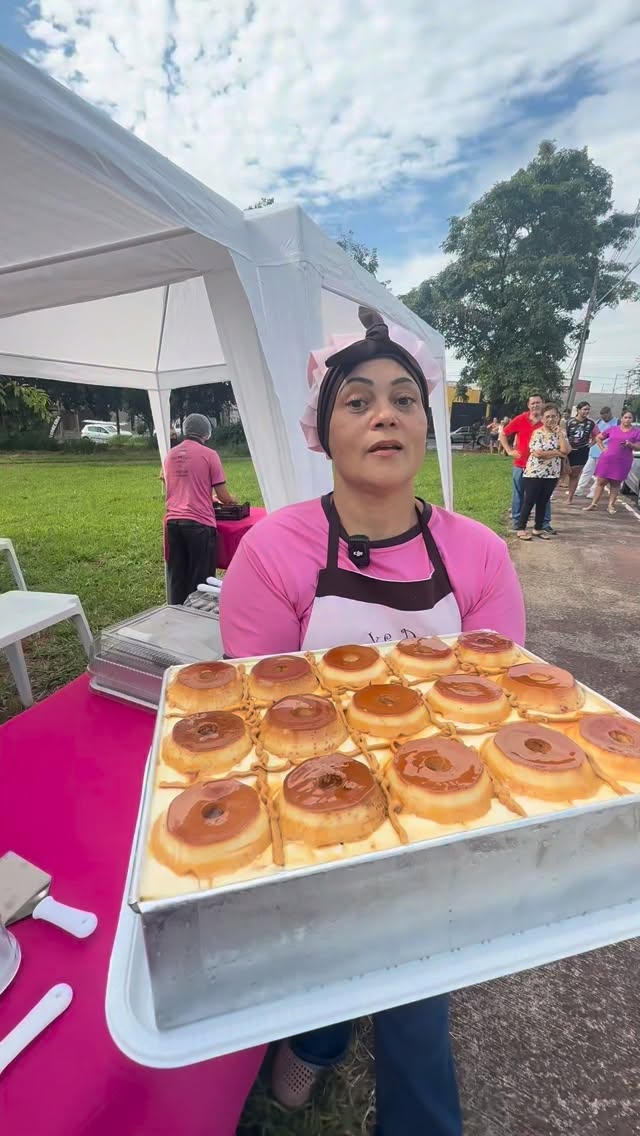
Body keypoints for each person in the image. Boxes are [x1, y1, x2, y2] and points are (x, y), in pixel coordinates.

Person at [220, 308, 525, 1136]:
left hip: (435, 805)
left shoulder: (480, 554)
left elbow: (497, 706)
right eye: (356, 401)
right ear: (321, 432)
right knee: (320, 950)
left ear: (428, 423)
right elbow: (261, 715)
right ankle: (318, 1033)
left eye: (403, 398)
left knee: (416, 996)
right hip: (313, 796)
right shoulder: (273, 552)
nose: (384, 414)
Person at [162, 412, 237, 605]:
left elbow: (175, 486)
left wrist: (205, 496)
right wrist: (230, 501)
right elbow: (223, 496)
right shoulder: (210, 455)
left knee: (177, 575)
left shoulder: (170, 455)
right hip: (199, 524)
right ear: (206, 433)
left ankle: (176, 611)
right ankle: (198, 615)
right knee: (200, 578)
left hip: (173, 523)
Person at [499, 395, 555, 533]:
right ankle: (517, 521)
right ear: (528, 405)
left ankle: (544, 523)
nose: (535, 405)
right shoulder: (521, 419)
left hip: (543, 467)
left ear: (543, 404)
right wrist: (509, 450)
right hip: (521, 464)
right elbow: (504, 434)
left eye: (538, 403)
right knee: (519, 493)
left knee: (544, 496)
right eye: (533, 403)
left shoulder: (547, 421)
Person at [516, 405, 569, 541]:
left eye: (553, 416)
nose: (550, 419)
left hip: (552, 473)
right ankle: (521, 528)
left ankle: (538, 528)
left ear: (558, 417)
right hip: (535, 472)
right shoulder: (538, 433)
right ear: (542, 418)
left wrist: (560, 436)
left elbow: (566, 450)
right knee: (530, 500)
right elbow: (539, 454)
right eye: (547, 417)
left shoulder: (560, 433)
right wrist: (558, 452)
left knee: (543, 501)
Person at [584, 410, 640, 515]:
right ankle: (593, 504)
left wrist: (630, 445)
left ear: (633, 419)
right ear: (622, 418)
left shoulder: (636, 432)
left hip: (623, 460)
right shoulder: (613, 429)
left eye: (630, 418)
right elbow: (598, 437)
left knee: (615, 483)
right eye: (626, 417)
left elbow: (638, 446)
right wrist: (603, 449)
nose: (627, 420)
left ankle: (610, 505)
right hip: (608, 459)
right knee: (600, 482)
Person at [575, 406, 617, 498]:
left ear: (610, 413)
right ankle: (579, 489)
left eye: (605, 416)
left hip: (606, 452)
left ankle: (593, 492)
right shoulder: (598, 422)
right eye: (602, 417)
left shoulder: (616, 423)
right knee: (586, 470)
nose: (604, 419)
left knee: (600, 473)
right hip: (593, 451)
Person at [565, 401, 598, 504]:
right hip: (568, 450)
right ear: (578, 410)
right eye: (584, 409)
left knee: (575, 474)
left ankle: (570, 498)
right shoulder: (570, 421)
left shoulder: (591, 423)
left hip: (582, 450)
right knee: (563, 472)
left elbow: (598, 435)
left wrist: (591, 444)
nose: (586, 411)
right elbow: (563, 434)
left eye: (588, 409)